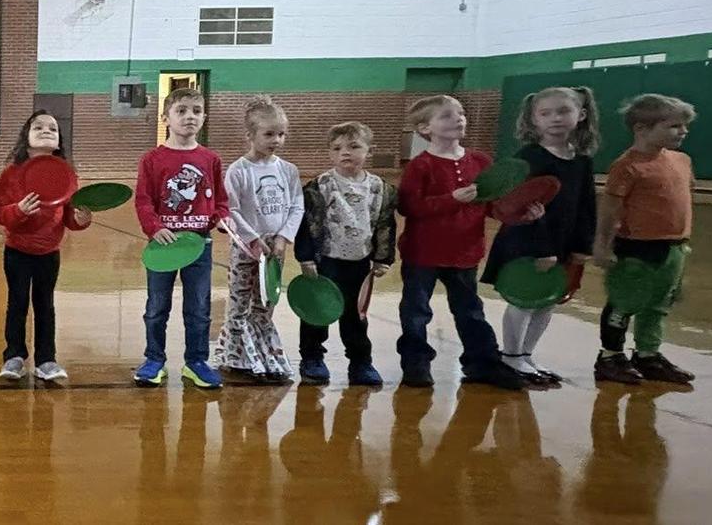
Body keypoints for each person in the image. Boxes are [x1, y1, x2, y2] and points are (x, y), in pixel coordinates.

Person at [395, 95, 530, 391]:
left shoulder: (481, 161)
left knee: (470, 311)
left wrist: (521, 213)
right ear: (424, 127)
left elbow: (493, 206)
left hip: (465, 252)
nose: (458, 119)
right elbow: (409, 207)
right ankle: (415, 362)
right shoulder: (420, 166)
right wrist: (450, 200)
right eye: (446, 116)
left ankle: (483, 363)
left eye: (461, 113)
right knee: (416, 311)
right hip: (424, 254)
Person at [482, 86, 599, 385]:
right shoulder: (529, 158)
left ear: (581, 115)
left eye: (563, 111)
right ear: (533, 120)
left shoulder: (582, 160)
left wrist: (583, 246)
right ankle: (510, 355)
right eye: (545, 113)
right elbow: (520, 207)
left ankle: (525, 355)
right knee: (523, 299)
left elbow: (587, 205)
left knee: (547, 300)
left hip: (563, 242)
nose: (555, 119)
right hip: (527, 241)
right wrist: (542, 248)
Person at [592, 94, 698, 385]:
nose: (683, 131)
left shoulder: (682, 160)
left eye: (685, 126)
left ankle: (648, 355)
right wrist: (602, 245)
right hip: (637, 248)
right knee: (625, 302)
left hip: (674, 247)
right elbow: (610, 210)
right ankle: (610, 357)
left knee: (659, 304)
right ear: (641, 129)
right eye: (674, 126)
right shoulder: (626, 166)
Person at [134, 86, 233, 390]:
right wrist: (155, 228)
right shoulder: (152, 159)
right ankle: (154, 359)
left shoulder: (210, 159)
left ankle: (197, 362)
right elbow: (143, 201)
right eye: (181, 111)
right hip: (163, 247)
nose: (189, 117)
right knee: (156, 308)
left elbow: (221, 202)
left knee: (199, 309)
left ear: (203, 117)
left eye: (196, 111)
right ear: (166, 117)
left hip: (198, 247)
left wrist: (220, 220)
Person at [294, 122, 395, 386]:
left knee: (356, 316)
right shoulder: (320, 186)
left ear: (368, 151)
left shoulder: (380, 188)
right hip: (325, 262)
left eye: (354, 146)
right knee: (317, 312)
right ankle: (312, 358)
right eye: (337, 148)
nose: (345, 153)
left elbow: (385, 223)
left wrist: (383, 257)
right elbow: (306, 223)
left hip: (359, 264)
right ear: (330, 154)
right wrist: (305, 256)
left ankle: (361, 362)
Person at [0, 110, 92, 382]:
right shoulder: (12, 174)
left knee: (45, 305)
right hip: (17, 252)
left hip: (49, 253)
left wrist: (81, 219)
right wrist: (20, 210)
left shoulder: (67, 176)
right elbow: (1, 214)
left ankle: (46, 360)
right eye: (38, 127)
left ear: (59, 142)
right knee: (17, 303)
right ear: (26, 138)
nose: (46, 130)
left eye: (53, 127)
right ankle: (14, 356)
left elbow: (70, 217)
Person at [216, 96, 304, 385]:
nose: (276, 140)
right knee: (240, 301)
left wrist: (283, 238)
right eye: (269, 134)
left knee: (266, 302)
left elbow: (296, 206)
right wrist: (253, 239)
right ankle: (235, 357)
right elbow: (232, 210)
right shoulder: (238, 171)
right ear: (250, 135)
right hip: (247, 249)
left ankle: (266, 357)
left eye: (281, 134)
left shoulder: (288, 170)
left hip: (276, 248)